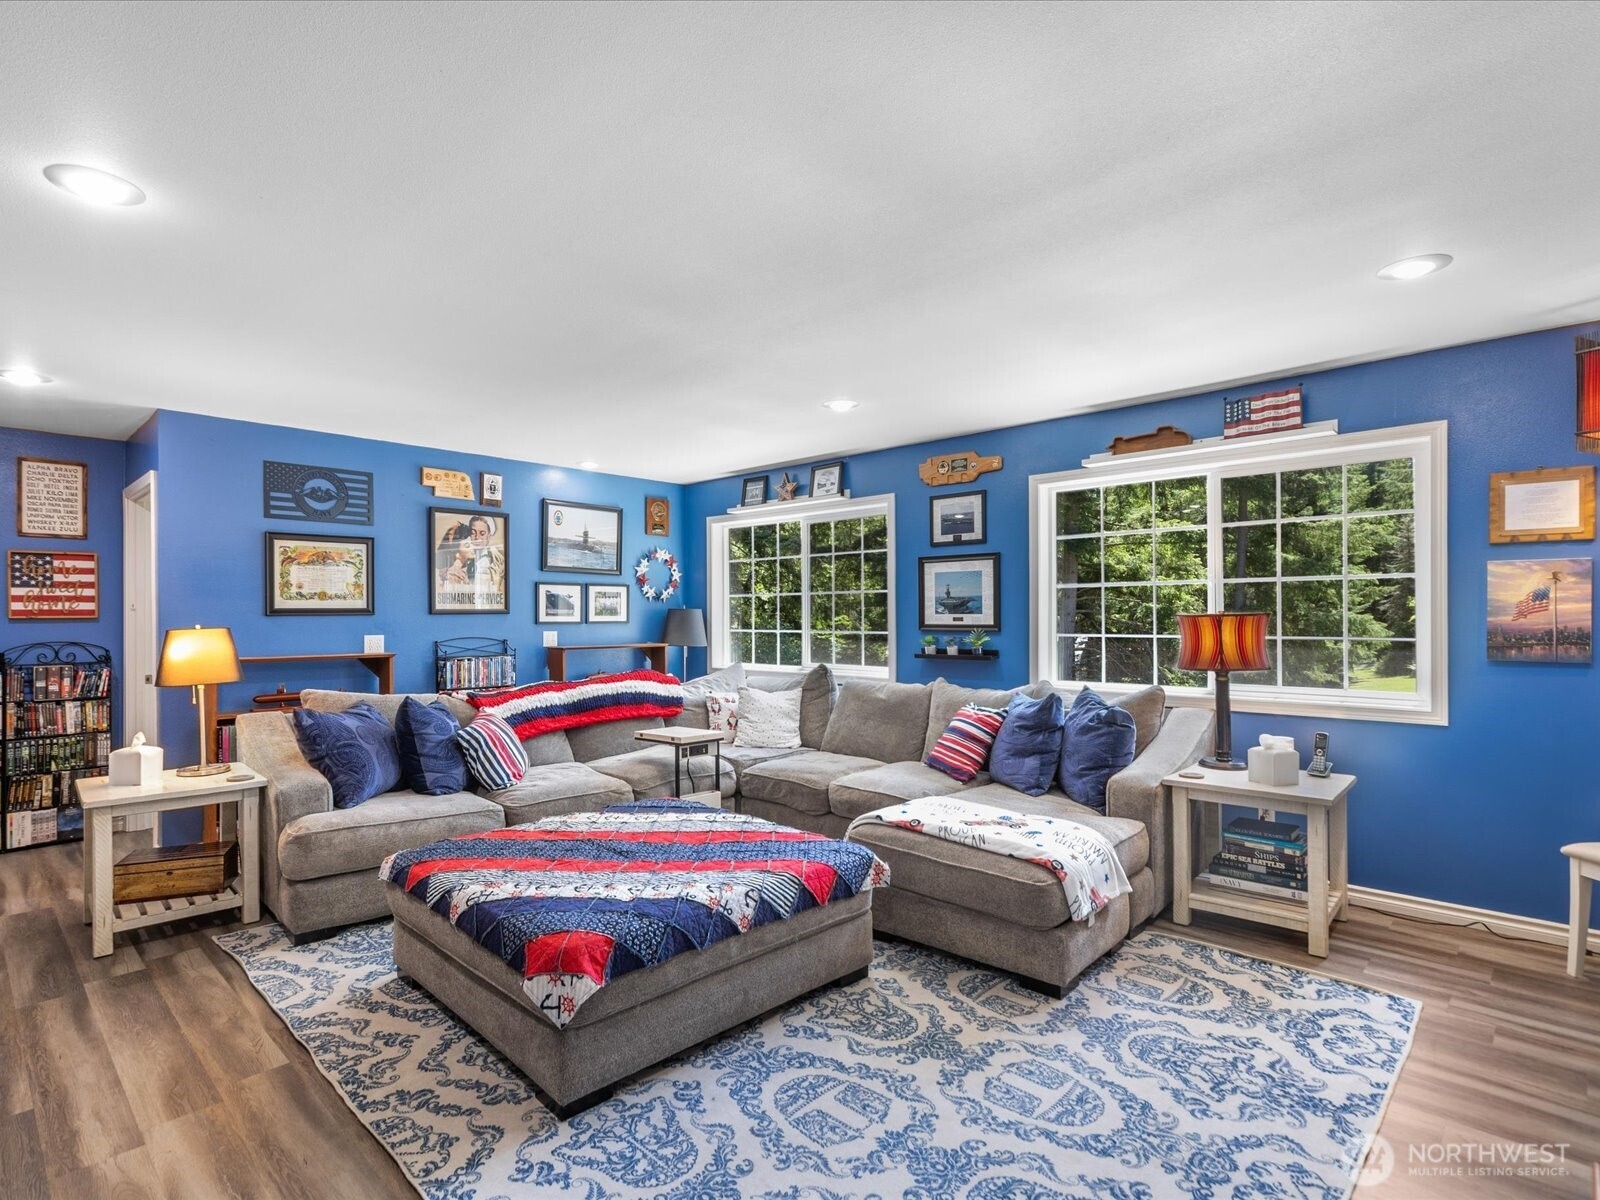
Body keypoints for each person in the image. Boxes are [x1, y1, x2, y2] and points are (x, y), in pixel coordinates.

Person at [436, 514, 505, 605]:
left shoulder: (498, 559)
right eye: (473, 533)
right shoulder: (457, 559)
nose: (477, 538)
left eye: (482, 533)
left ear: (489, 536)